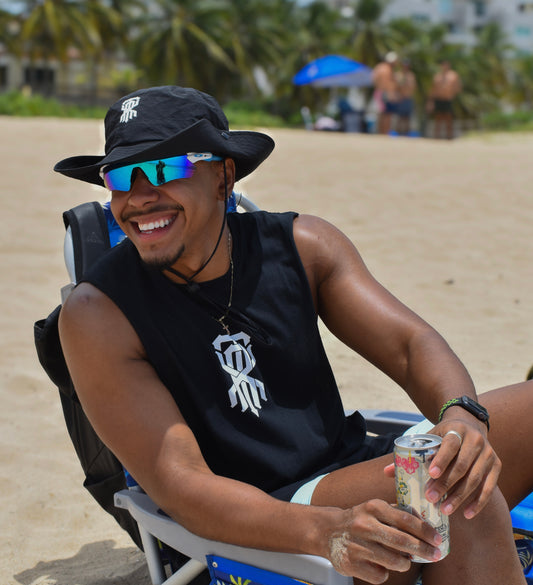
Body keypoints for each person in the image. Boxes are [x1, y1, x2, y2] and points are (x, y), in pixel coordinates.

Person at [54, 85, 532, 585]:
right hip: (273, 513)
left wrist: (463, 414)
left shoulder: (303, 247)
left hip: (353, 470)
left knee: (468, 454)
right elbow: (184, 486)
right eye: (120, 176)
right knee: (448, 492)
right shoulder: (100, 314)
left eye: (164, 169)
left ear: (223, 176)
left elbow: (411, 348)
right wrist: (327, 531)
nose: (139, 196)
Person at [427, 60, 462, 140]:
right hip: (438, 99)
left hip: (448, 99)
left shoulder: (453, 75)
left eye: (446, 65)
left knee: (448, 118)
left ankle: (449, 137)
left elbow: (458, 87)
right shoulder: (437, 76)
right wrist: (430, 101)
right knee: (438, 119)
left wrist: (452, 92)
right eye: (443, 65)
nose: (445, 66)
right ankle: (437, 137)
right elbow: (433, 89)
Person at [372, 52, 399, 135]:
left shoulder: (379, 67)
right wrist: (390, 93)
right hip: (385, 93)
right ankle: (384, 133)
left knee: (382, 113)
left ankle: (381, 132)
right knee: (387, 115)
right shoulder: (387, 69)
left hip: (379, 92)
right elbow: (386, 83)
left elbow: (374, 80)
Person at [395, 59, 417, 136]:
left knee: (407, 118)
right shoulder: (398, 74)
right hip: (400, 98)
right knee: (399, 118)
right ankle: (398, 134)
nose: (405, 67)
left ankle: (406, 134)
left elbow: (413, 87)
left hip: (408, 98)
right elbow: (396, 86)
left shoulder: (411, 75)